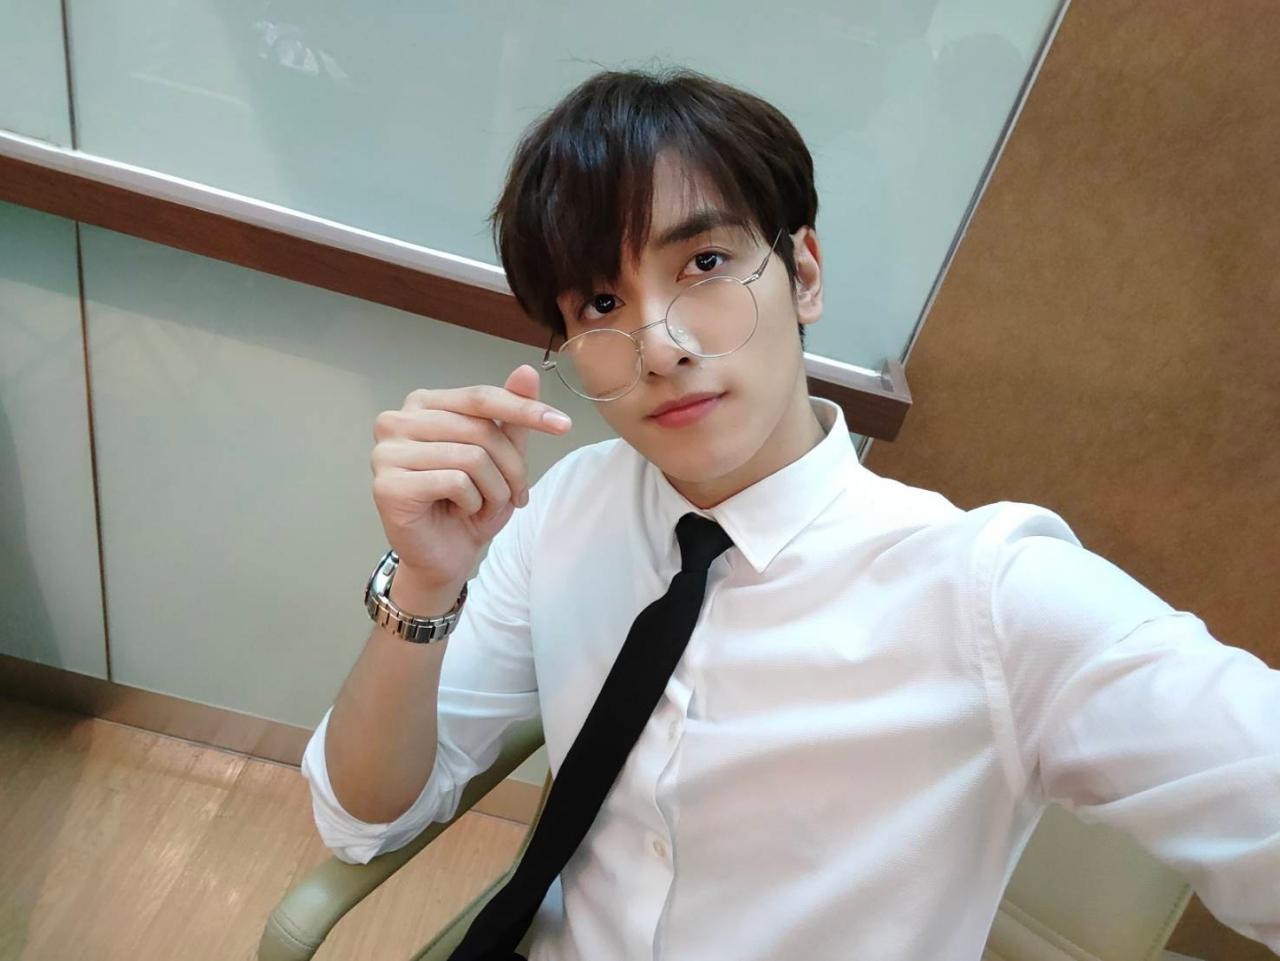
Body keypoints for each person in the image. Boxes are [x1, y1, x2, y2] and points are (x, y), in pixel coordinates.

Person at [300, 67, 1280, 959]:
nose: (660, 346)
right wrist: (426, 579)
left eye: (704, 264)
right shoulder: (568, 507)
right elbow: (363, 819)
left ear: (802, 272)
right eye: (599, 304)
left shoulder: (987, 592)